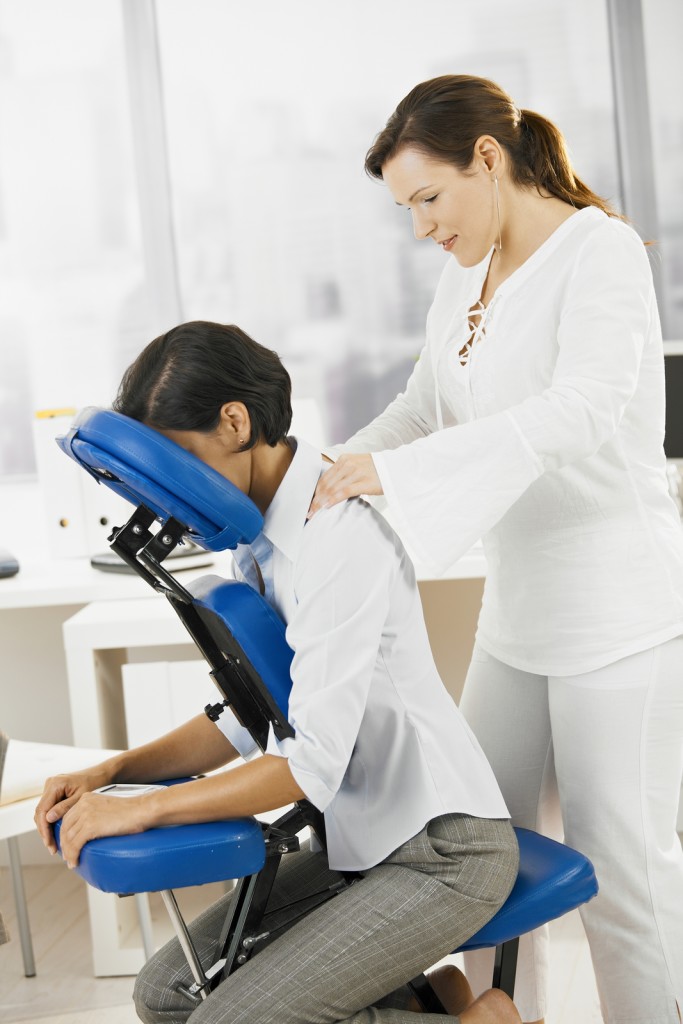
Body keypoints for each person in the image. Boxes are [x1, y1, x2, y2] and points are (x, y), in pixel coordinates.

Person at [308, 74, 683, 1024]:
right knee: (479, 871)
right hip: (516, 618)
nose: (422, 228)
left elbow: (584, 408)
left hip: (618, 614)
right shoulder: (461, 277)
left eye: (428, 199)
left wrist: (408, 474)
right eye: (406, 211)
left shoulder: (598, 253)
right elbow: (423, 404)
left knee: (622, 880)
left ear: (488, 158)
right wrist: (342, 466)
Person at [34, 321, 522, 1024]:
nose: (171, 494)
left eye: (177, 460)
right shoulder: (257, 542)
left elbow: (311, 764)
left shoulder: (335, 537)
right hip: (359, 843)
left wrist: (142, 807)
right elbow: (250, 715)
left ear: (234, 422)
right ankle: (432, 1005)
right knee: (168, 994)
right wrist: (113, 773)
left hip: (440, 848)